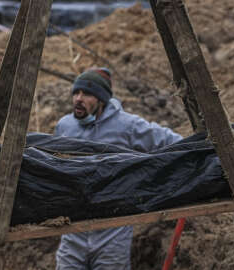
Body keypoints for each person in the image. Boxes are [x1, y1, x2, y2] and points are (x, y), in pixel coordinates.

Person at [54, 67, 182, 270]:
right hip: (74, 230)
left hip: (112, 232)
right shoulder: (65, 126)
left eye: (87, 94)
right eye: (76, 93)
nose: (78, 98)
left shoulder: (127, 126)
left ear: (101, 100)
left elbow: (172, 142)